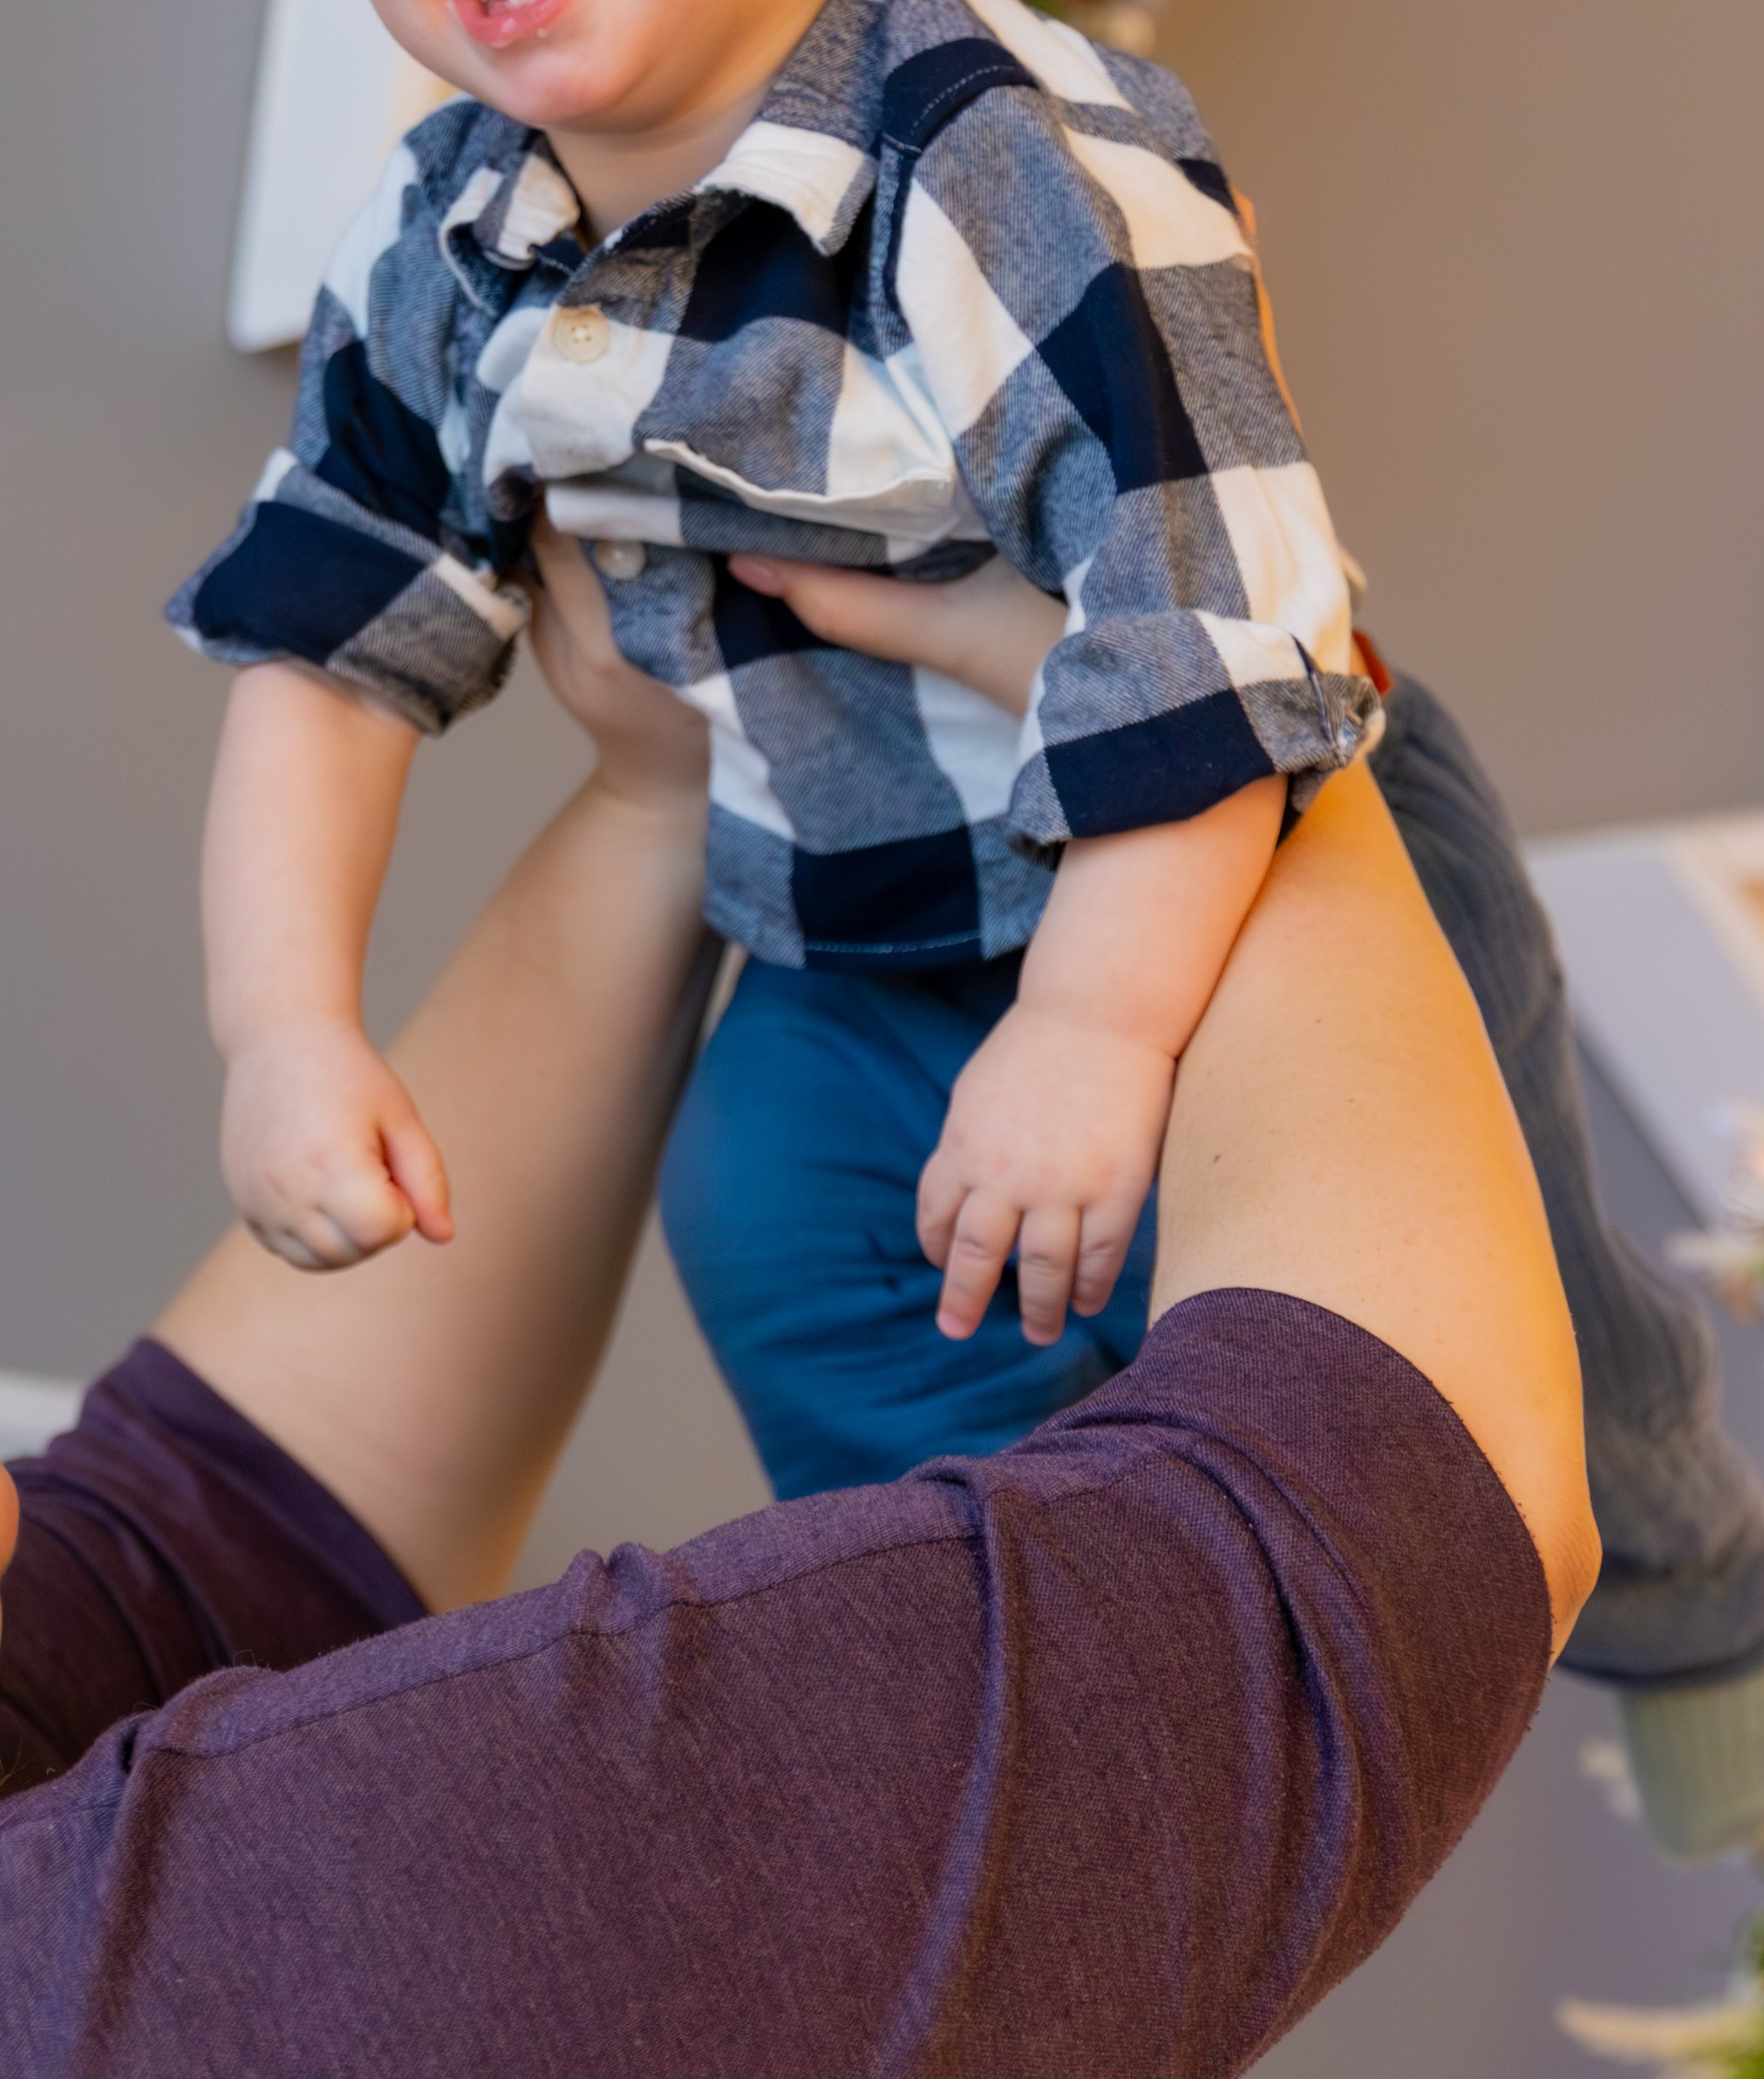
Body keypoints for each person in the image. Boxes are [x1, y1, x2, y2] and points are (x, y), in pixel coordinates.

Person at [166, 0, 1376, 1396]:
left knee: (1396, 1298)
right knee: (766, 1205)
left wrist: (1092, 1030)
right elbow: (325, 635)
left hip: (1226, 850)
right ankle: (987, 1647)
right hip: (860, 905)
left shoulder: (998, 164)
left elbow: (1210, 623)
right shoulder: (456, 228)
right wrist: (281, 1028)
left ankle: (1656, 1590)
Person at [0, 542, 1598, 2075]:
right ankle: (1717, 1621)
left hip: (1025, 883)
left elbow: (204, 1540)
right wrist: (1198, 682)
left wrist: (655, 785)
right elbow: (1397, 1543)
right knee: (768, 1186)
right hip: (1213, 811)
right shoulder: (228, 1995)